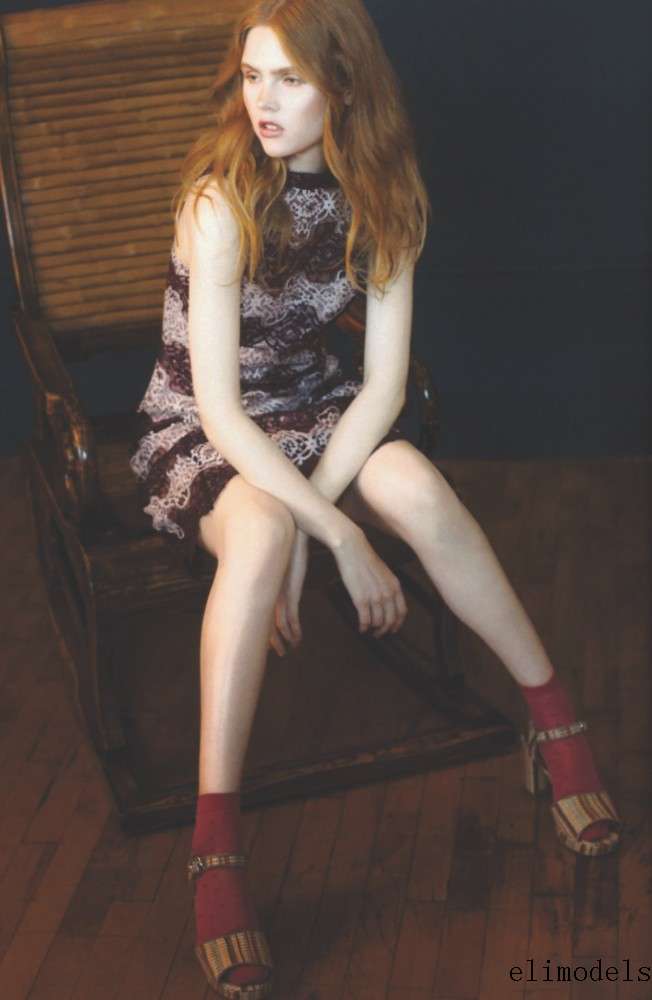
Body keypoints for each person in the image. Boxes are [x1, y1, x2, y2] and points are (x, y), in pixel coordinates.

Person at [129, 1, 621, 995]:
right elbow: (220, 410)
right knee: (260, 534)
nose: (263, 101)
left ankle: (554, 718)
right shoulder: (221, 198)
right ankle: (215, 844)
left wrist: (325, 524)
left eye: (290, 79)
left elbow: (383, 386)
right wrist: (333, 536)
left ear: (344, 87)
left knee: (415, 485)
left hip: (315, 407)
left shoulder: (383, 194)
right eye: (252, 75)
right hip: (201, 424)